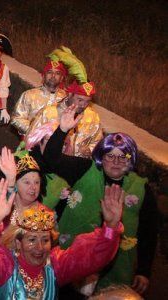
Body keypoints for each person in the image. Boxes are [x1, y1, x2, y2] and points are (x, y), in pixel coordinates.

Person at [41, 107, 159, 294]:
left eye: (123, 157)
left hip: (115, 269)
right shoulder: (84, 169)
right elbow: (51, 159)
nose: (116, 161)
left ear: (131, 160)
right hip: (72, 259)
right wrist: (62, 130)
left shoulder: (141, 188)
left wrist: (144, 270)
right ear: (101, 157)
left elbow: (149, 231)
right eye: (110, 155)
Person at [0, 180, 123, 299]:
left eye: (45, 240)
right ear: (18, 243)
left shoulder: (55, 267)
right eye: (32, 240)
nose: (39, 247)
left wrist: (111, 226)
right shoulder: (5, 267)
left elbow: (91, 257)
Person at [27, 46, 102, 158]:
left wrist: (89, 150)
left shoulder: (93, 117)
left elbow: (98, 142)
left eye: (87, 102)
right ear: (70, 94)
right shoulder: (49, 112)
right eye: (80, 100)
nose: (83, 105)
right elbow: (31, 139)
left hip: (76, 168)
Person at [11, 52, 68, 135]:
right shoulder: (29, 95)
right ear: (43, 76)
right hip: (31, 144)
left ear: (61, 78)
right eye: (49, 72)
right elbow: (16, 118)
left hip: (56, 144)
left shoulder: (66, 99)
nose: (53, 76)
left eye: (57, 73)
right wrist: (37, 132)